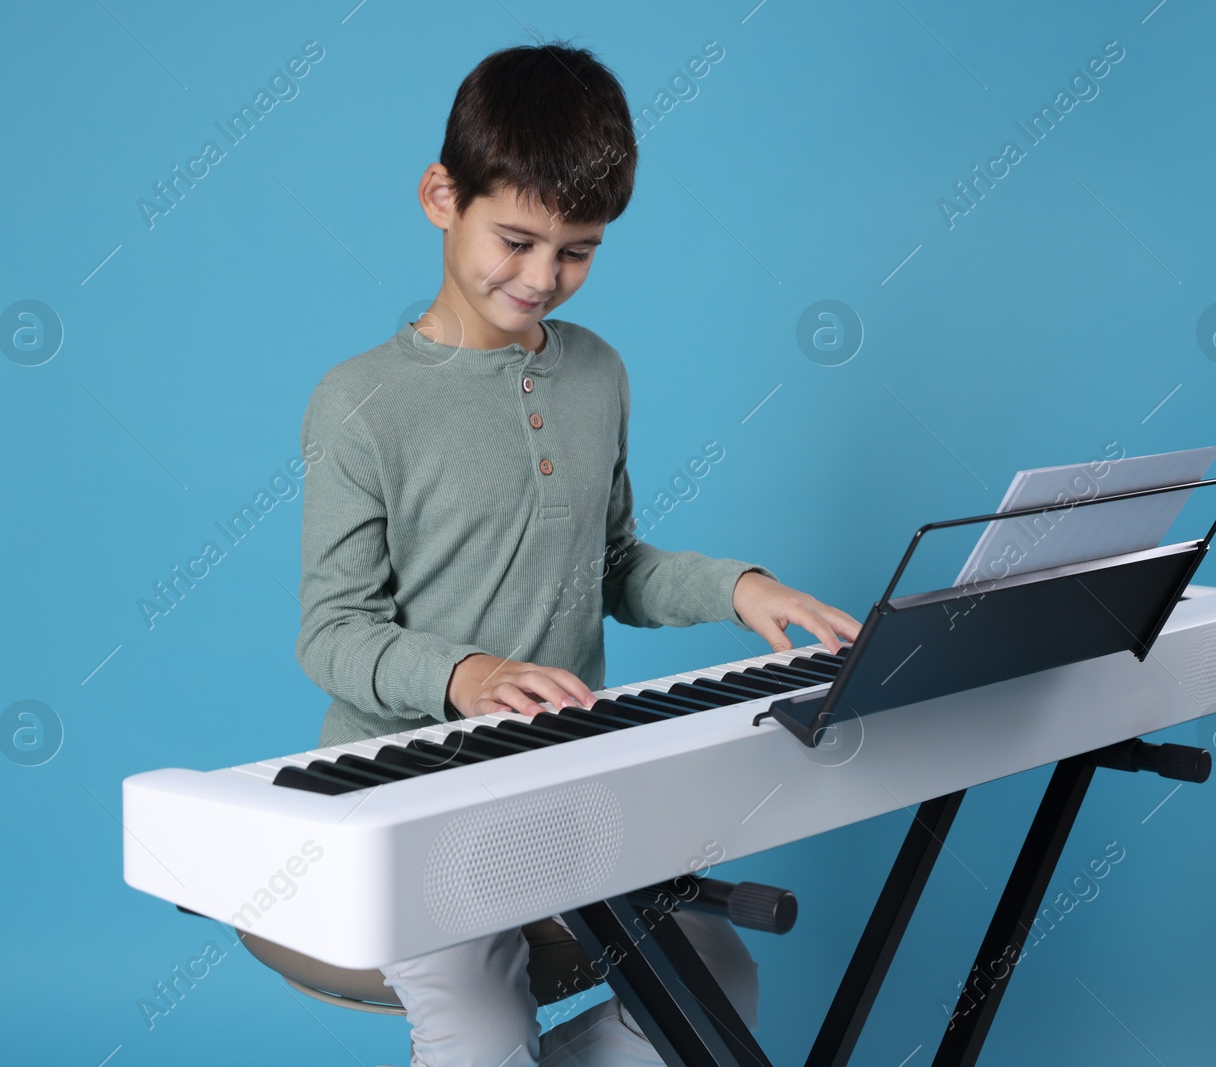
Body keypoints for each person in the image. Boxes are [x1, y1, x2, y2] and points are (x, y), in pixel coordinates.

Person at [294, 38, 862, 1067]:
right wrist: (466, 673)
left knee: (714, 980)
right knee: (478, 1030)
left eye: (577, 250)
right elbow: (330, 634)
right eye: (514, 240)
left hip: (558, 780)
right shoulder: (359, 401)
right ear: (440, 197)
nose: (544, 276)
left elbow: (616, 566)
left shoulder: (596, 372)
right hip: (405, 793)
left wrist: (741, 586)